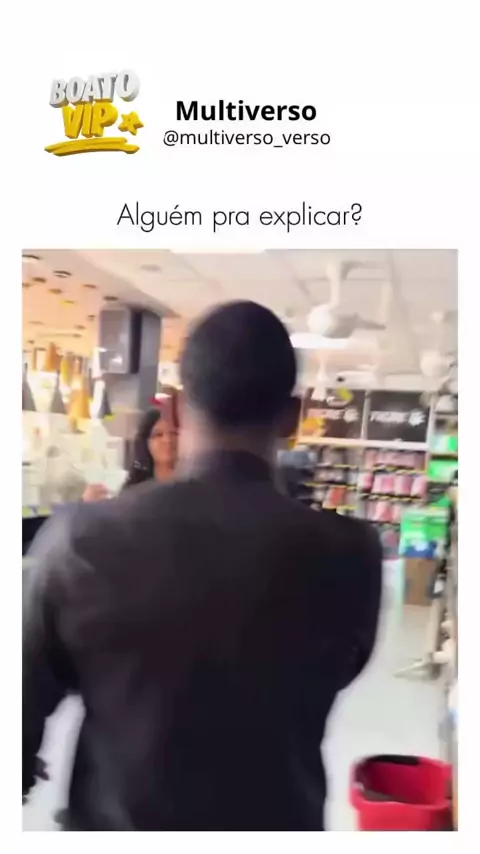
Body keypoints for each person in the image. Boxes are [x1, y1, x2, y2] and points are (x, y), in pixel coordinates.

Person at [23, 301, 382, 831]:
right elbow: (335, 671)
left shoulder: (81, 539)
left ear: (174, 410)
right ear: (293, 417)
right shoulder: (350, 554)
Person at [82, 405, 177, 501]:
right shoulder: (135, 491)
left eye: (174, 433)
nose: (168, 440)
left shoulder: (185, 490)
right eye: (158, 435)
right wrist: (88, 504)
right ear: (146, 441)